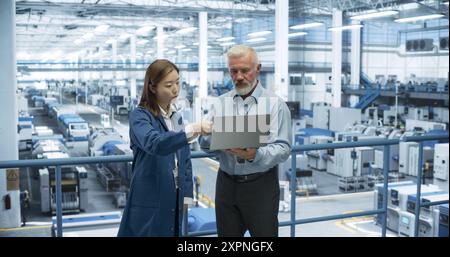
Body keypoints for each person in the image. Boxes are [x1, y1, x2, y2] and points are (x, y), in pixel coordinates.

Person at [200, 45, 292, 237]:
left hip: (260, 187)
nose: (239, 76)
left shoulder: (276, 105)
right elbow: (204, 145)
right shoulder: (221, 103)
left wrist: (255, 154)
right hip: (226, 183)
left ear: (257, 69)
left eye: (245, 70)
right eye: (234, 71)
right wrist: (208, 136)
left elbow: (283, 148)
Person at [117, 59, 211, 237]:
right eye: (169, 85)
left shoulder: (176, 116)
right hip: (150, 198)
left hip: (175, 197)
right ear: (152, 87)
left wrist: (187, 199)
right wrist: (192, 129)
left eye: (178, 82)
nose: (175, 89)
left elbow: (185, 160)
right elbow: (156, 144)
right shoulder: (140, 116)